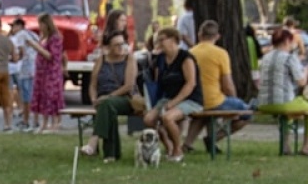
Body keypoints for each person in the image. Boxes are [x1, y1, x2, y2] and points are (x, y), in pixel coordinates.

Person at [183, 20, 251, 151]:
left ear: (199, 35)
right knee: (247, 112)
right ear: (217, 36)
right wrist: (234, 101)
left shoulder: (190, 53)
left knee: (203, 114)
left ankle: (187, 144)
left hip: (194, 100)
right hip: (214, 100)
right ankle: (214, 138)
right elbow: (228, 85)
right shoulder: (220, 53)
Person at [143, 26, 203, 162]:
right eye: (157, 40)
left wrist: (174, 103)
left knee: (168, 118)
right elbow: (158, 81)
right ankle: (168, 145)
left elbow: (191, 84)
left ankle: (177, 149)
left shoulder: (185, 58)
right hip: (168, 97)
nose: (159, 43)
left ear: (174, 40)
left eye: (162, 39)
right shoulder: (161, 59)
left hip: (190, 99)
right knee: (148, 119)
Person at [80, 31, 139, 161]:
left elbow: (129, 85)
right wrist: (93, 98)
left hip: (125, 98)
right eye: (116, 45)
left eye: (122, 44)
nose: (121, 47)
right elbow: (93, 84)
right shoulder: (101, 60)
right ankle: (111, 155)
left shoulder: (129, 59)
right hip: (103, 99)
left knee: (107, 104)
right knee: (107, 108)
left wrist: (108, 97)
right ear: (108, 47)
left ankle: (93, 141)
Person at [256, 26, 308, 155]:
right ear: (286, 41)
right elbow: (301, 82)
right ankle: (306, 147)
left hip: (263, 103)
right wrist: (306, 71)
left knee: (291, 109)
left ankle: (286, 146)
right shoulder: (289, 58)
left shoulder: (266, 58)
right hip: (282, 102)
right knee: (299, 106)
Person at [31, 13, 65, 132]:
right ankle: (44, 123)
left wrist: (36, 47)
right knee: (42, 96)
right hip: (41, 72)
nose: (39, 26)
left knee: (51, 96)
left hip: (51, 73)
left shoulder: (55, 38)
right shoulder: (42, 37)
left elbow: (51, 56)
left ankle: (55, 123)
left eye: (41, 23)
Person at [11, 17, 40, 130]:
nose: (12, 29)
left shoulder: (20, 35)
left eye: (13, 26)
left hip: (26, 67)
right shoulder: (31, 34)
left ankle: (26, 120)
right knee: (33, 94)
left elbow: (21, 51)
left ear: (19, 26)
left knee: (26, 95)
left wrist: (14, 59)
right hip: (35, 66)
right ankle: (35, 120)